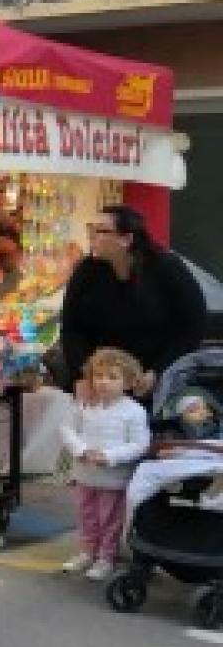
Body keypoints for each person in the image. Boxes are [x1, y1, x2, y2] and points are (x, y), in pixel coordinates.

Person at [58, 204, 205, 400]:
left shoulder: (166, 267)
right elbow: (71, 327)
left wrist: (158, 371)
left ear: (126, 239)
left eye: (100, 230)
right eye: (90, 229)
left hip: (153, 378)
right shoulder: (86, 270)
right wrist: (83, 374)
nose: (91, 236)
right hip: (100, 380)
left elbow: (193, 326)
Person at [58, 346, 150, 581]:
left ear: (128, 382)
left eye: (112, 377)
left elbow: (140, 444)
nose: (103, 382)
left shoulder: (134, 411)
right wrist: (80, 450)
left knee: (110, 519)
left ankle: (106, 557)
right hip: (85, 474)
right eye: (98, 376)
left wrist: (109, 455)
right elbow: (67, 428)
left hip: (113, 478)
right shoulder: (84, 405)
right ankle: (88, 551)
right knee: (86, 515)